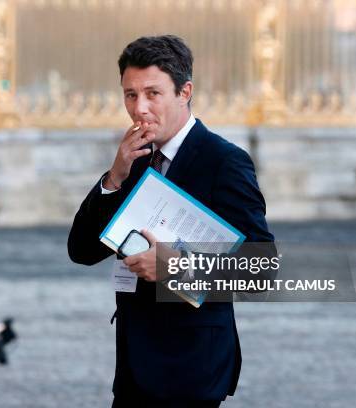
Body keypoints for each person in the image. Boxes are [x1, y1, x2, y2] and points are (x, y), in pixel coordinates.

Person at [68, 35, 275, 407]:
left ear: (185, 92)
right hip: (133, 367)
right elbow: (81, 250)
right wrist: (114, 177)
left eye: (152, 93)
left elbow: (260, 269)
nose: (139, 108)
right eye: (130, 95)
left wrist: (171, 265)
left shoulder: (224, 161)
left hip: (192, 366)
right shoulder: (133, 159)